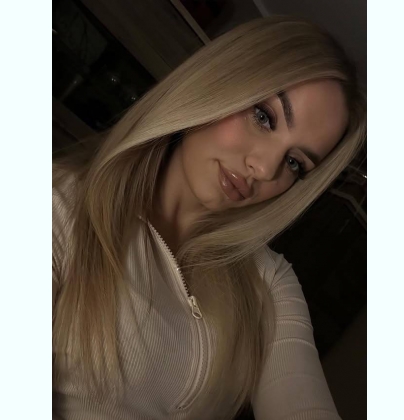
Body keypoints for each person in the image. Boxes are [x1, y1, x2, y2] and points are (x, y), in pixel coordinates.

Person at [52, 15, 366, 420]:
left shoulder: (268, 283)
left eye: (294, 162)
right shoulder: (59, 206)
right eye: (264, 117)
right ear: (219, 81)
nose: (265, 168)